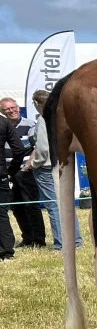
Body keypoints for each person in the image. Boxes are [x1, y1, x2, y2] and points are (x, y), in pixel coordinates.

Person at [24, 89, 83, 250]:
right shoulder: (61, 116)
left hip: (46, 168)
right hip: (62, 164)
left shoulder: (44, 118)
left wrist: (33, 164)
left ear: (37, 103)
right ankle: (76, 241)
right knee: (66, 205)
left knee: (54, 206)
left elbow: (43, 149)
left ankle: (62, 243)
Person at [1, 98, 44, 249]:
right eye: (7, 109)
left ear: (18, 108)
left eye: (13, 107)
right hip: (8, 171)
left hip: (25, 171)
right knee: (16, 207)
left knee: (31, 205)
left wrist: (26, 166)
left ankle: (39, 239)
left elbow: (35, 145)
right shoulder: (3, 126)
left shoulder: (30, 124)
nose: (12, 111)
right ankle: (27, 238)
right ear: (2, 112)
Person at [0, 107, 30, 261]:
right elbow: (19, 150)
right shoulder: (4, 122)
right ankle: (6, 252)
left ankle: (6, 251)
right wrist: (10, 170)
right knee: (1, 214)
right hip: (1, 175)